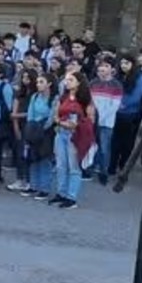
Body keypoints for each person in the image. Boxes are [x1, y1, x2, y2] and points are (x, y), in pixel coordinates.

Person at [51, 72, 96, 209]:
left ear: (79, 83)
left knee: (74, 167)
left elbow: (91, 119)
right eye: (66, 80)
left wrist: (77, 124)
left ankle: (71, 197)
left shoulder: (85, 100)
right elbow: (56, 113)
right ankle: (61, 192)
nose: (67, 82)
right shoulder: (63, 96)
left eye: (71, 80)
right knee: (60, 165)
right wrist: (58, 121)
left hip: (75, 134)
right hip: (61, 132)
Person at [23, 73, 58, 200]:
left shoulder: (55, 98)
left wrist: (41, 129)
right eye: (37, 82)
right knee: (33, 158)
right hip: (33, 128)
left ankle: (44, 188)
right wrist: (30, 128)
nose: (38, 84)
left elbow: (52, 117)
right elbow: (30, 114)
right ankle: (33, 185)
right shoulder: (35, 96)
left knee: (44, 159)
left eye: (41, 82)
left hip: (46, 131)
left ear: (49, 84)